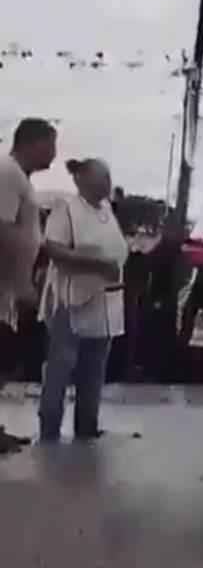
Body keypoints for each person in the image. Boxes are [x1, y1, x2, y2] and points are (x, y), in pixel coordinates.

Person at [38, 158, 128, 443]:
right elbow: (53, 248)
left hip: (105, 306)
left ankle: (87, 426)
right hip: (71, 302)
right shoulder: (66, 209)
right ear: (82, 180)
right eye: (102, 178)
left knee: (94, 369)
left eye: (109, 177)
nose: (107, 184)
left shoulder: (107, 211)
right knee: (61, 366)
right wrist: (95, 263)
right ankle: (50, 428)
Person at [0, 118, 57, 395]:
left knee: (6, 356)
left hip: (8, 289)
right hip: (6, 283)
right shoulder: (8, 173)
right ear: (30, 143)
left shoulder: (21, 179)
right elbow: (5, 228)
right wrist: (22, 281)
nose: (54, 155)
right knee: (5, 354)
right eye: (50, 145)